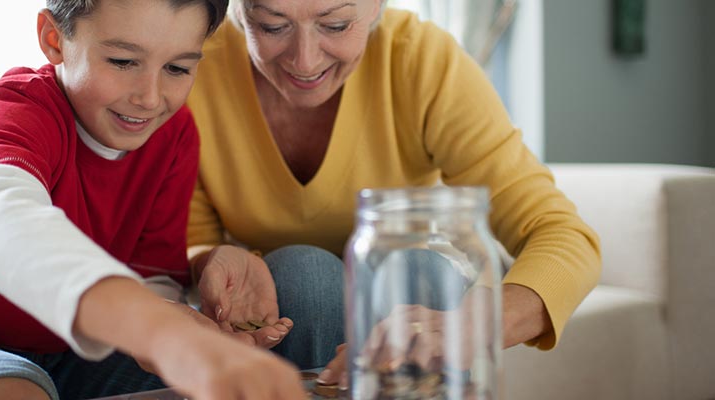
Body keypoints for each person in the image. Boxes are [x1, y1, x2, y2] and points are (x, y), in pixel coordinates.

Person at [0, 1, 307, 399]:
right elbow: (2, 221)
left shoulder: (175, 135)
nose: (150, 97)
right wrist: (156, 331)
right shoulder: (13, 111)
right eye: (123, 62)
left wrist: (180, 319)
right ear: (54, 38)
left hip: (72, 351)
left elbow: (151, 276)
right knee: (9, 387)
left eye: (178, 68)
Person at [184, 0, 602, 385]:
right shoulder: (192, 66)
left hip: (409, 285)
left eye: (336, 24)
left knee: (419, 270)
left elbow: (561, 234)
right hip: (287, 297)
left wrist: (483, 322)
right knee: (305, 274)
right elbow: (190, 238)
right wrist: (211, 258)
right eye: (272, 26)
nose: (304, 60)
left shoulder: (421, 60)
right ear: (238, 11)